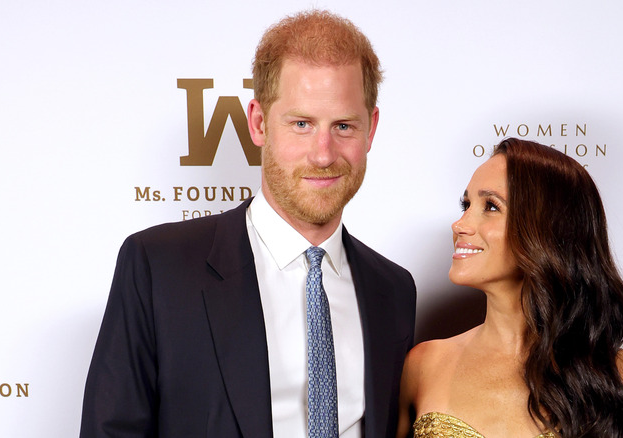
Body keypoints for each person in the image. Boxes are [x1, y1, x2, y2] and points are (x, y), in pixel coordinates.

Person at [80, 10, 416, 438]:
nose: (324, 154)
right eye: (301, 124)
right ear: (258, 123)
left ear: (371, 130)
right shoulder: (158, 267)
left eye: (344, 126)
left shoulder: (394, 290)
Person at [398, 138, 623, 438]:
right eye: (466, 205)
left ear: (548, 229)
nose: (460, 224)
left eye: (491, 206)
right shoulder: (423, 365)